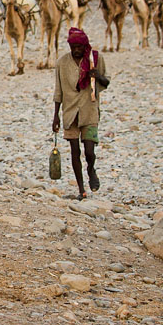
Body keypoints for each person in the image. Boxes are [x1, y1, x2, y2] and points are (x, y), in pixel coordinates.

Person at [52, 27, 110, 200]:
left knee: (90, 150)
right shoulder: (62, 63)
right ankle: (81, 189)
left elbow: (106, 82)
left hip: (89, 112)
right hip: (69, 114)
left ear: (85, 46)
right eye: (73, 47)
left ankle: (91, 169)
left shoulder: (95, 60)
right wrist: (55, 116)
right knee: (74, 150)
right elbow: (58, 91)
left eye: (80, 47)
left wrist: (97, 76)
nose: (76, 50)